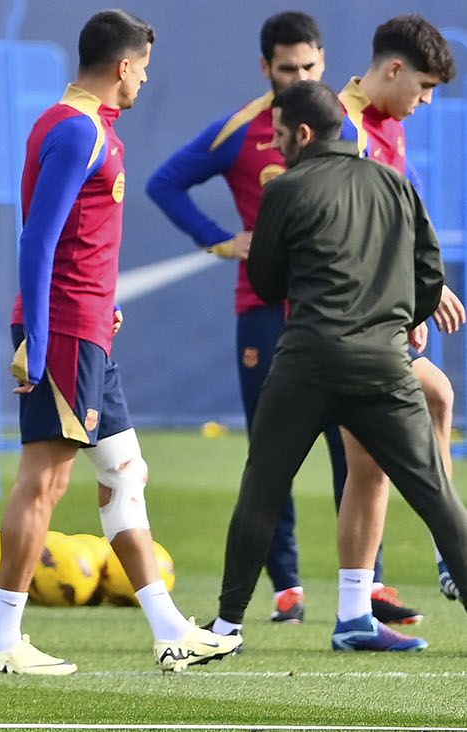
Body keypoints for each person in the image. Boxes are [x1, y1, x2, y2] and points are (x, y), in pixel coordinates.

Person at [0, 9, 242, 676]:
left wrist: (103, 305)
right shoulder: (74, 128)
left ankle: (169, 629)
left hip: (88, 327)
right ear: (123, 66)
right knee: (46, 481)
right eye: (143, 70)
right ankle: (1, 640)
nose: (144, 83)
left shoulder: (85, 127)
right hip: (63, 331)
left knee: (124, 472)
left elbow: (76, 239)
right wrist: (38, 340)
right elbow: (38, 239)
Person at [147, 12, 421, 627]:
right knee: (272, 456)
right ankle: (287, 587)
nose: (297, 75)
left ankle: (366, 585)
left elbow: (400, 203)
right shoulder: (244, 130)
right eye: (285, 67)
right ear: (265, 68)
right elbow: (165, 183)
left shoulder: (349, 126)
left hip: (347, 316)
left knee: (357, 451)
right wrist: (223, 240)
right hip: (266, 312)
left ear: (322, 61)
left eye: (307, 66)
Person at [212, 79, 467, 652]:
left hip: (307, 362)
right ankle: (357, 618)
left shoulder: (286, 189)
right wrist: (394, 315)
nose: (274, 147)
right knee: (438, 497)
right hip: (383, 363)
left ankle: (227, 628)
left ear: (303, 134)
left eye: (279, 136)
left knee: (262, 488)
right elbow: (430, 274)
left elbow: (266, 281)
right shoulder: (395, 184)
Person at [334, 14, 463, 609]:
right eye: (424, 87)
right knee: (367, 463)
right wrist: (409, 293)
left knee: (429, 406)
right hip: (347, 325)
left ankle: (360, 607)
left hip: (380, 319)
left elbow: (402, 220)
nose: (427, 101)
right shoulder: (346, 129)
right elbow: (345, 238)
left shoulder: (389, 125)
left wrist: (417, 290)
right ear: (393, 69)